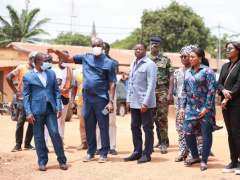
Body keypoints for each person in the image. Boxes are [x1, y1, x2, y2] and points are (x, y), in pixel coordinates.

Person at [47, 38, 116, 163]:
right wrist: (56, 51)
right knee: (88, 126)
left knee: (103, 126)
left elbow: (112, 83)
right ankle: (90, 152)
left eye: (98, 45)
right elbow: (68, 58)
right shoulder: (86, 57)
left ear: (103, 47)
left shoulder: (109, 63)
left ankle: (104, 153)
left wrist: (110, 101)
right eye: (93, 45)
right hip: (87, 100)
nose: (96, 47)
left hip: (102, 100)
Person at [23, 53, 67, 171]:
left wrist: (58, 107)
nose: (49, 62)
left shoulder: (51, 74)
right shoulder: (28, 76)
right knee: (39, 137)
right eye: (46, 60)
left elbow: (56, 92)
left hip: (50, 109)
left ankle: (62, 160)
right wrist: (28, 112)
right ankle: (42, 161)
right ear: (38, 62)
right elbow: (26, 96)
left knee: (55, 133)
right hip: (36, 111)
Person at [180, 48, 222, 171]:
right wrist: (182, 107)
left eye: (192, 57)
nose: (190, 59)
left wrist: (207, 108)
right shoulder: (187, 72)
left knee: (205, 134)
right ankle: (194, 156)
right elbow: (184, 91)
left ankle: (204, 160)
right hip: (190, 108)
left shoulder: (208, 72)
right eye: (189, 57)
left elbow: (212, 91)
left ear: (200, 58)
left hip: (205, 108)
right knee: (187, 133)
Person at [124, 42, 157, 164]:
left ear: (145, 50)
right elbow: (130, 83)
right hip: (134, 102)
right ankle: (137, 151)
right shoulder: (133, 63)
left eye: (140, 49)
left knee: (147, 128)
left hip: (144, 103)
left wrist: (146, 102)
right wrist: (128, 99)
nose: (137, 50)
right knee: (134, 127)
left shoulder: (150, 64)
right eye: (136, 49)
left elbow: (151, 85)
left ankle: (147, 153)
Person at [174, 45, 204, 162]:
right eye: (181, 56)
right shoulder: (177, 72)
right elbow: (177, 88)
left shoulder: (198, 71)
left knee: (194, 129)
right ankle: (183, 152)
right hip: (180, 103)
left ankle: (194, 153)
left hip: (193, 104)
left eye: (186, 56)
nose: (183, 58)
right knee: (180, 128)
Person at [6, 51, 37, 152]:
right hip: (23, 100)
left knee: (32, 122)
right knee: (20, 122)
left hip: (34, 100)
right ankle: (18, 145)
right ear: (30, 59)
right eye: (35, 59)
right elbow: (8, 77)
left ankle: (27, 144)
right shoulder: (21, 68)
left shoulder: (37, 69)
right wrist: (15, 91)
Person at [148, 37, 174, 154]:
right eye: (152, 43)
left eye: (156, 44)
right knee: (149, 119)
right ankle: (149, 143)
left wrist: (170, 93)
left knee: (162, 119)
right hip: (149, 94)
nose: (154, 46)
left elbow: (171, 76)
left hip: (163, 93)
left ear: (160, 46)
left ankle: (163, 143)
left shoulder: (166, 59)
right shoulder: (146, 59)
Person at [217, 42, 240, 175]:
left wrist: (227, 97)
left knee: (237, 132)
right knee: (230, 133)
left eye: (230, 48)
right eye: (226, 48)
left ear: (238, 50)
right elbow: (219, 83)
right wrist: (224, 91)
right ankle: (233, 161)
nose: (227, 50)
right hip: (226, 105)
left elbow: (238, 85)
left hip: (236, 103)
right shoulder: (225, 66)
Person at [95, 42, 119, 155]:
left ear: (108, 50)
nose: (102, 50)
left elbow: (112, 78)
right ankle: (99, 146)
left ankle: (112, 146)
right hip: (99, 95)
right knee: (99, 120)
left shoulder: (114, 62)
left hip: (111, 95)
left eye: (104, 48)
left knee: (111, 121)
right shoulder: (94, 61)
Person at [52, 51, 73, 149]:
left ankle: (61, 139)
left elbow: (71, 83)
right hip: (55, 96)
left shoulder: (70, 69)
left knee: (62, 120)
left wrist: (64, 90)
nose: (65, 62)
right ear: (59, 59)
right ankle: (55, 139)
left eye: (66, 60)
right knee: (55, 119)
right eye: (63, 60)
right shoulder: (53, 69)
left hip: (65, 96)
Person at [44, 54, 63, 150]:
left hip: (54, 102)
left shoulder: (56, 71)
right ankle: (46, 145)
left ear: (52, 61)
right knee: (44, 127)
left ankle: (58, 145)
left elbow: (59, 82)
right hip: (43, 103)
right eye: (45, 60)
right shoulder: (40, 72)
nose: (47, 62)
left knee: (56, 126)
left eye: (49, 60)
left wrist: (48, 83)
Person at [71, 68, 88, 150]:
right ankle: (84, 142)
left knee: (93, 123)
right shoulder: (76, 73)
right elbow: (74, 88)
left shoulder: (94, 69)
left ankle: (94, 142)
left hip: (92, 103)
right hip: (80, 103)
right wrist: (72, 102)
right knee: (82, 124)